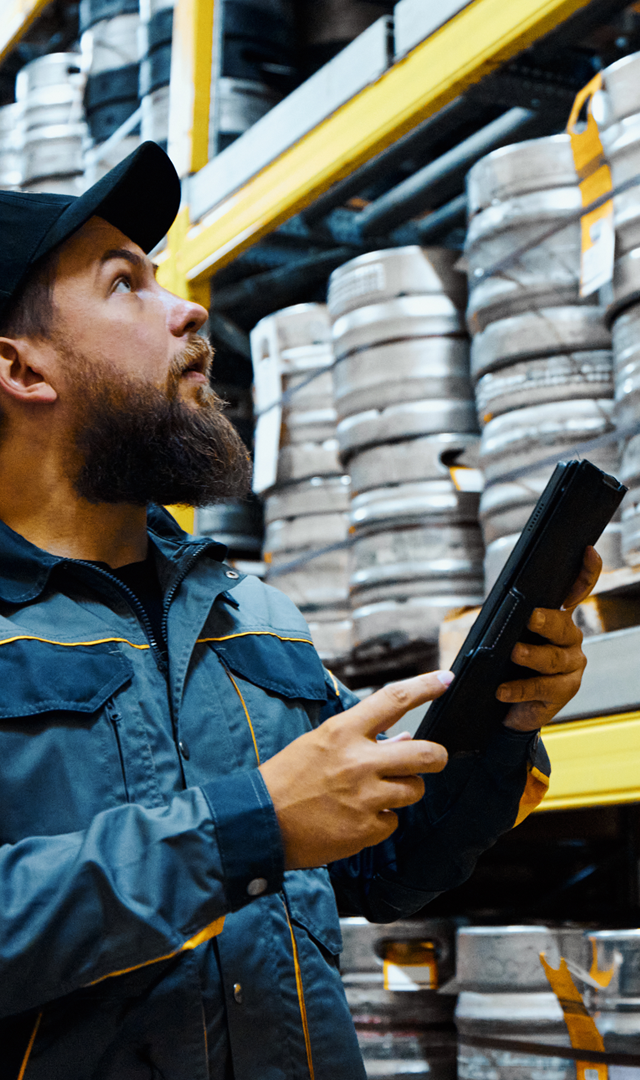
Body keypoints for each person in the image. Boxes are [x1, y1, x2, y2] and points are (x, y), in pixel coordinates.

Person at [0, 142, 600, 1079]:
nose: (187, 309)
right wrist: (251, 826)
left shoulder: (253, 615)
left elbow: (385, 866)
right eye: (125, 285)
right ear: (23, 368)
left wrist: (503, 717)